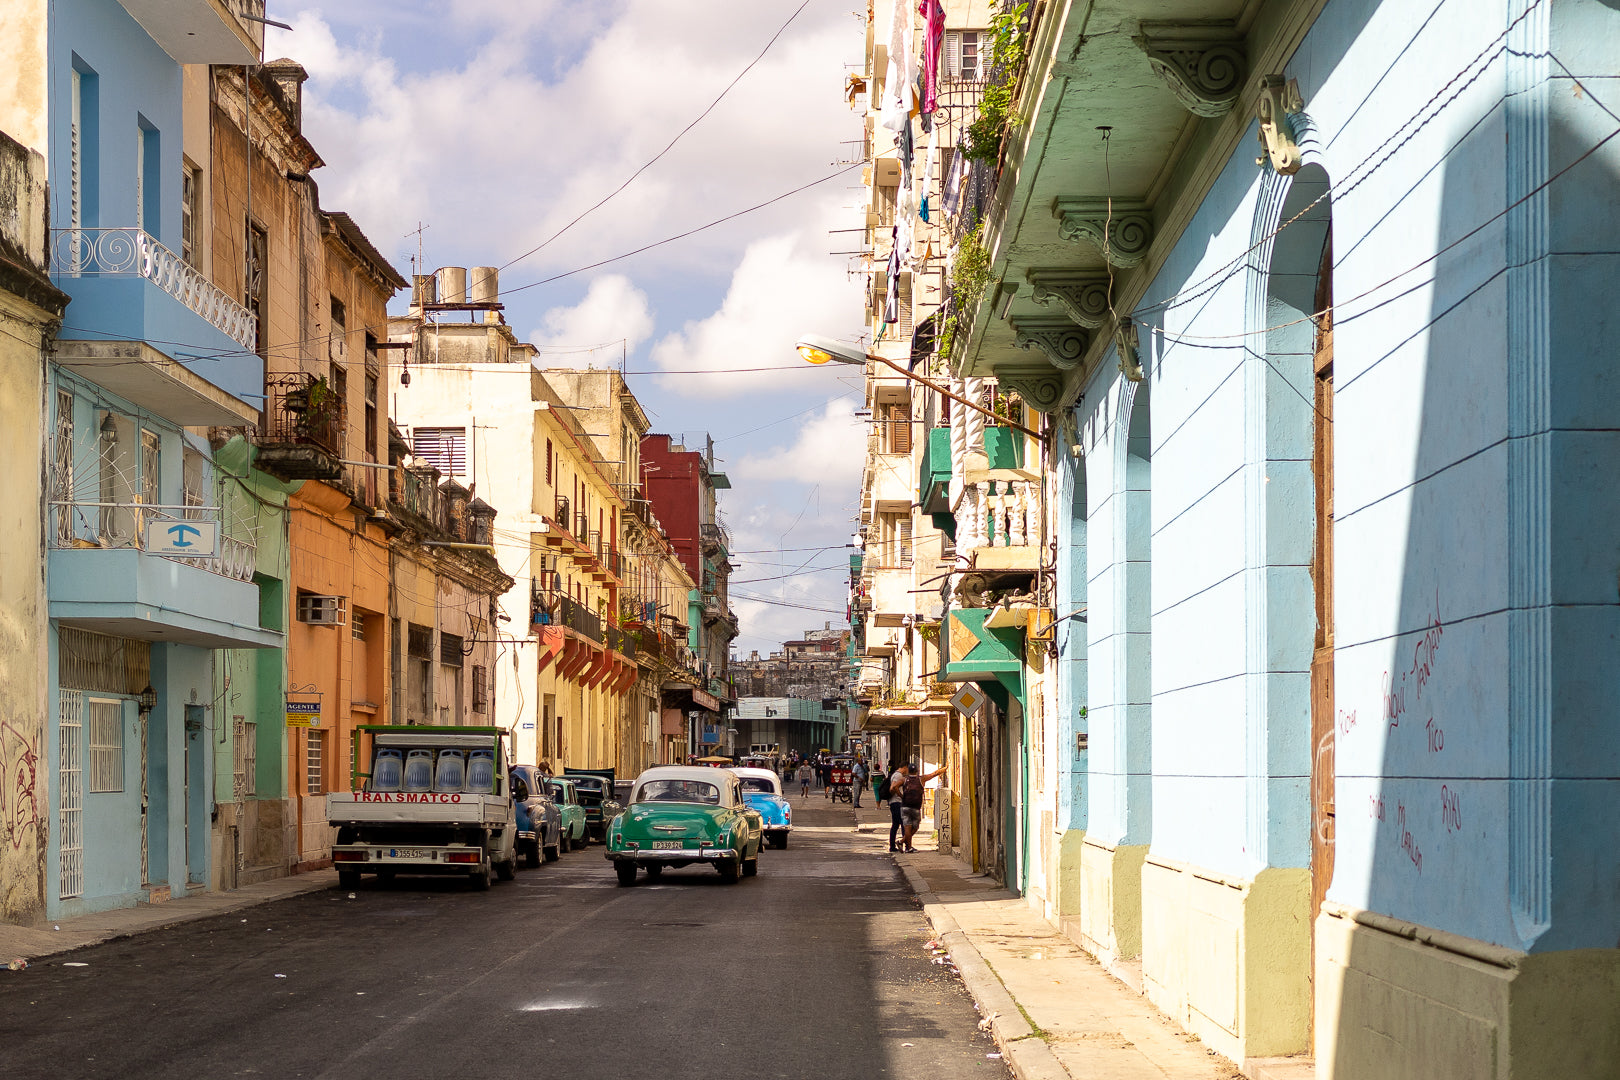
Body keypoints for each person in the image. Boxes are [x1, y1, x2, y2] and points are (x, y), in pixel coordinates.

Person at [898, 761, 946, 853]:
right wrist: (945, 768)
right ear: (916, 771)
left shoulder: (904, 780)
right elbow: (934, 774)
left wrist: (901, 795)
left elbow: (893, 787)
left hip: (905, 806)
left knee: (907, 827)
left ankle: (905, 844)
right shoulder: (921, 779)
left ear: (908, 771)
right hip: (916, 807)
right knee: (915, 827)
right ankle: (906, 845)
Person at [883, 763, 907, 852]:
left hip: (894, 803)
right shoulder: (898, 775)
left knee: (895, 825)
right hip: (897, 803)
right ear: (904, 768)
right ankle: (907, 845)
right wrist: (901, 796)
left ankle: (892, 846)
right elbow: (893, 787)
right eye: (907, 769)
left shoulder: (895, 774)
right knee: (904, 825)